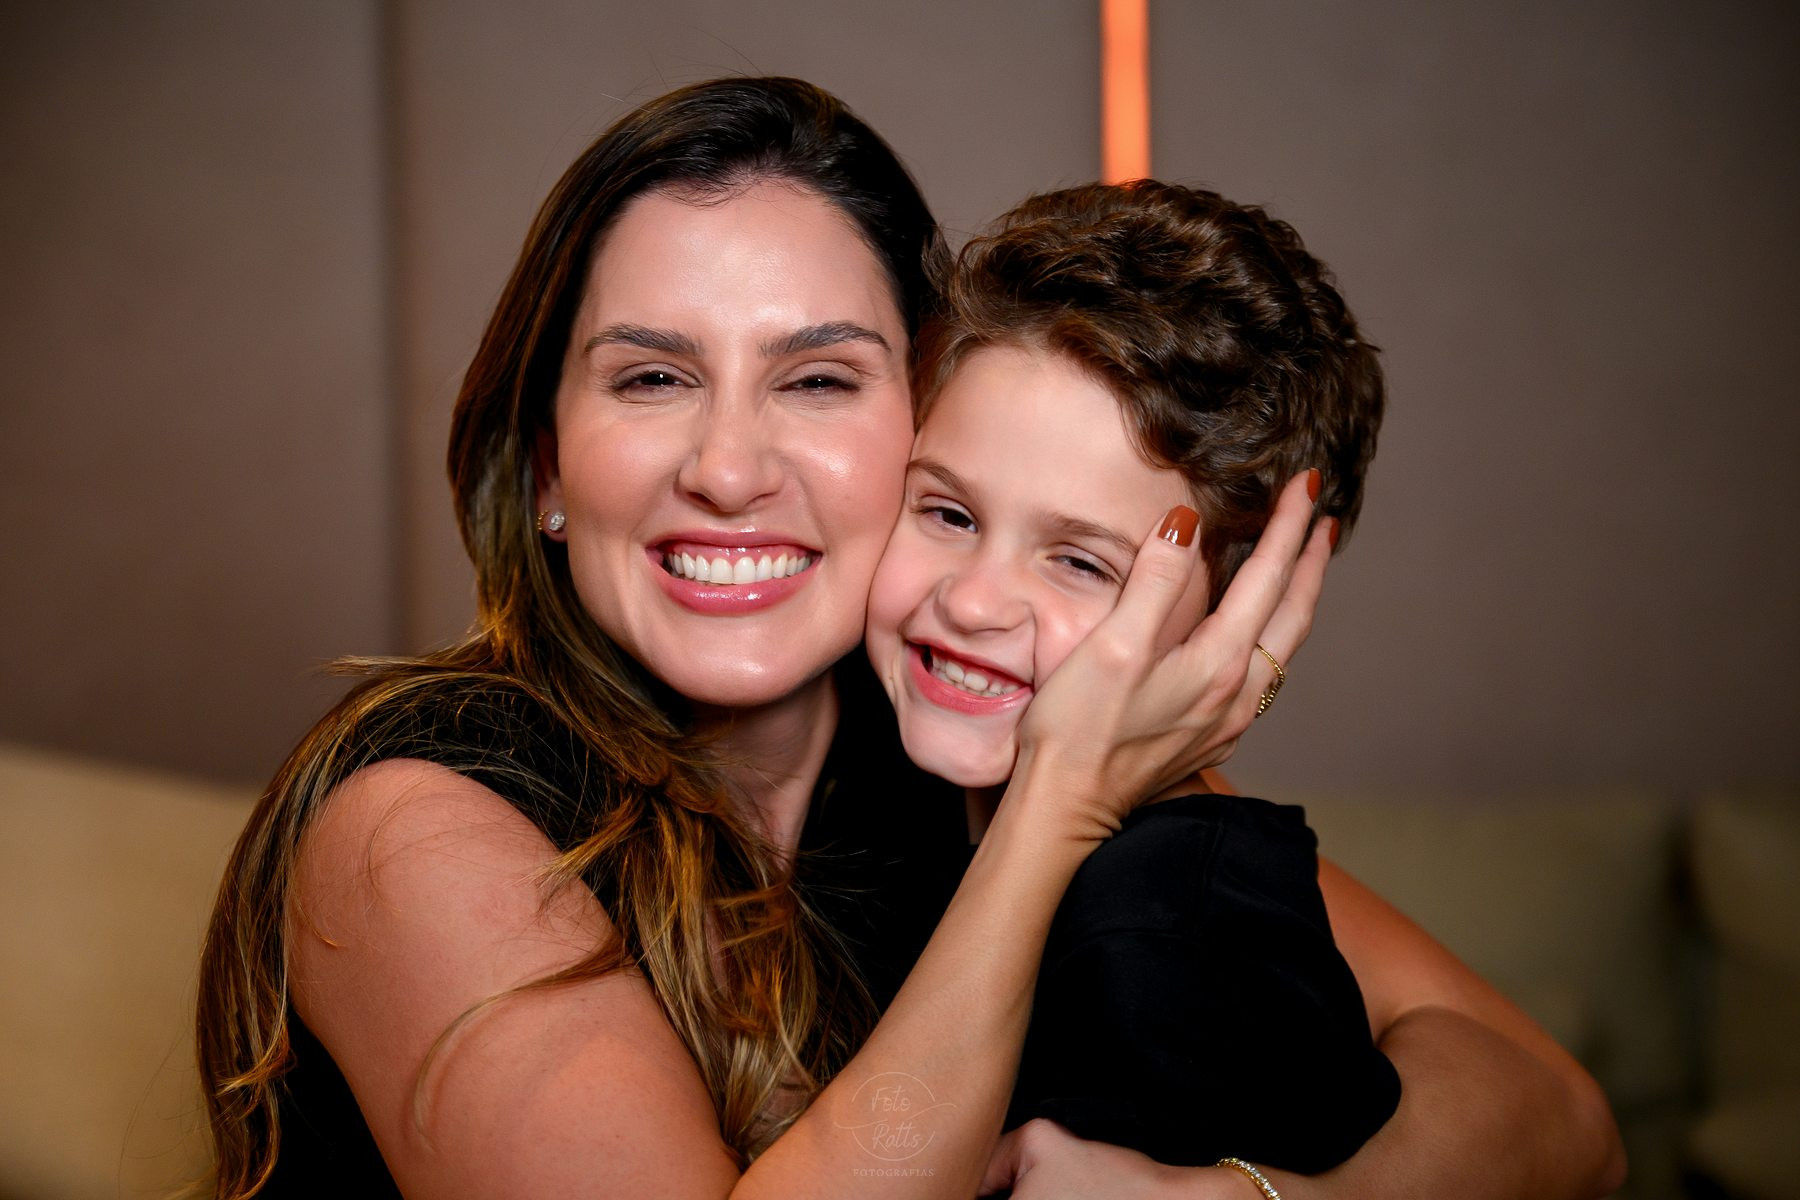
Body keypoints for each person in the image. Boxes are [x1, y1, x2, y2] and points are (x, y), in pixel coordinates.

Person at [194, 77, 1624, 1198]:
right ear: (550, 465)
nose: (731, 469)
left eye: (819, 379)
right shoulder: (413, 820)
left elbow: (1555, 1114)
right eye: (652, 378)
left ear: (922, 421)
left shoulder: (963, 730)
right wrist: (1053, 821)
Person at [864, 179, 1400, 1179]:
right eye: (949, 513)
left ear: (1240, 618)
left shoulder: (1176, 928)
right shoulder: (894, 801)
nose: (974, 602)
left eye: (1081, 562)